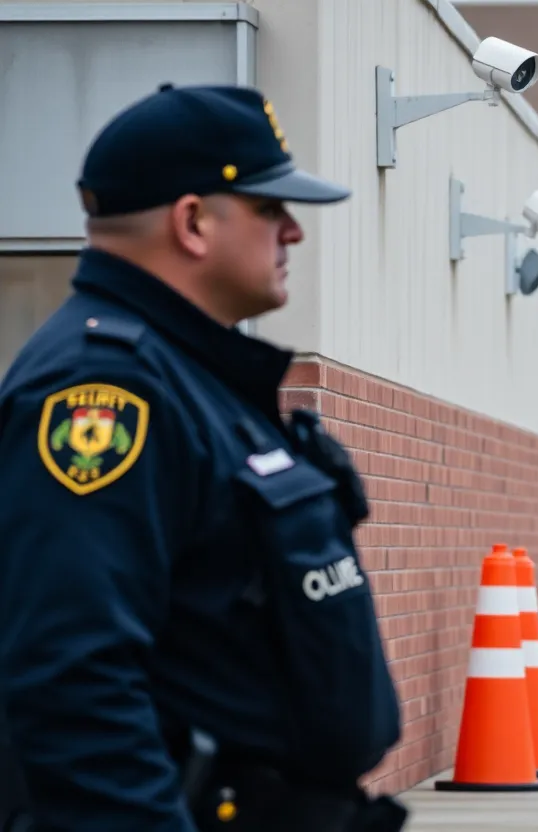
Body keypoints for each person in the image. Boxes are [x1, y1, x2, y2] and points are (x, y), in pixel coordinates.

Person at [0, 84, 407, 831]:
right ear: (192, 222)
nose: (294, 234)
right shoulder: (104, 391)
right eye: (269, 208)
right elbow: (74, 684)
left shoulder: (194, 380)